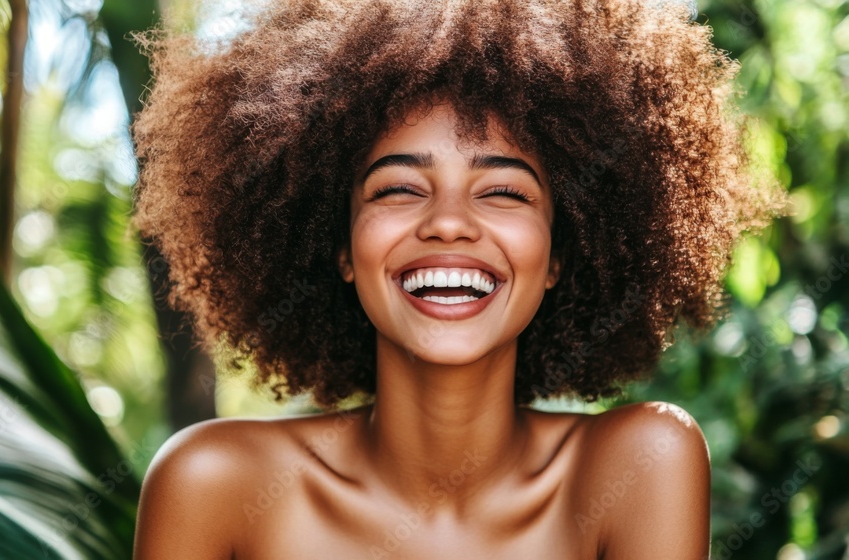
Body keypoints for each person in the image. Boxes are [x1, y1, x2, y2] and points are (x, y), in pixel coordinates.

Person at [130, 0, 786, 557]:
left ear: (560, 253)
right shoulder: (216, 485)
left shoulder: (640, 465)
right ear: (339, 249)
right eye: (398, 189)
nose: (448, 223)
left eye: (503, 190)